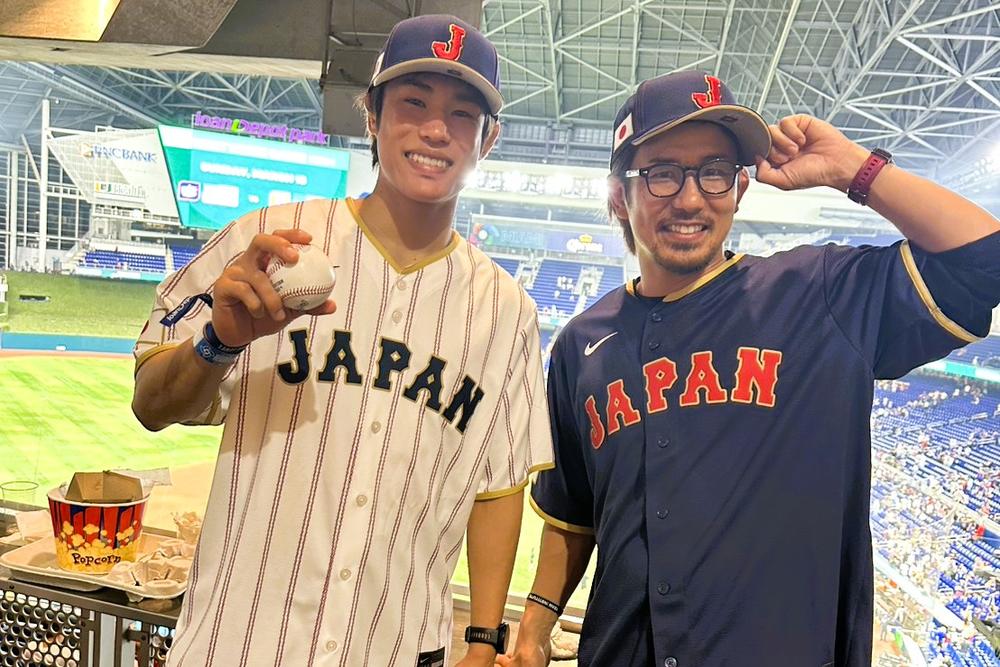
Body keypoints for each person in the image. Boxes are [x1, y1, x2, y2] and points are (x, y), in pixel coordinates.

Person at [499, 70, 1000, 666]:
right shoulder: (582, 342)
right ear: (617, 196)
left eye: (713, 171)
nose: (691, 199)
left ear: (739, 188)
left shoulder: (818, 294)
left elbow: (982, 262)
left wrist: (854, 170)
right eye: (662, 173)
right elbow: (572, 511)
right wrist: (533, 628)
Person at [132, 15, 553, 666]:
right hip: (239, 643)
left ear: (487, 140)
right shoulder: (270, 243)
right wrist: (219, 342)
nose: (436, 130)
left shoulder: (507, 309)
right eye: (413, 103)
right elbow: (151, 404)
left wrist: (483, 640)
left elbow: (496, 485)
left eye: (462, 114)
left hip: (395, 646)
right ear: (372, 116)